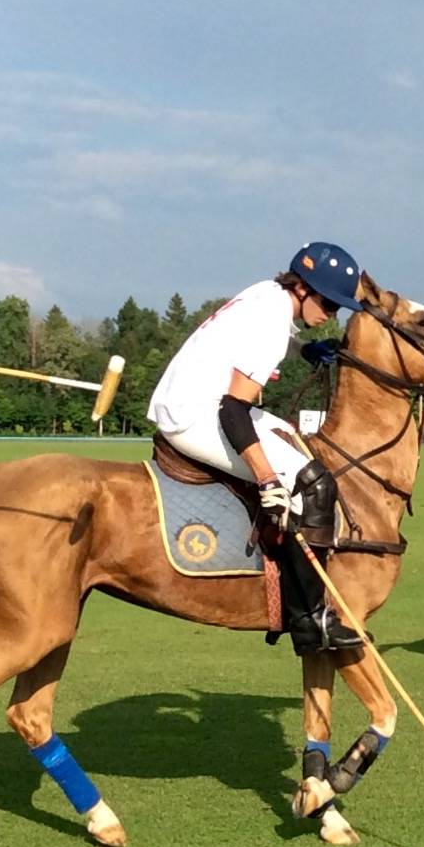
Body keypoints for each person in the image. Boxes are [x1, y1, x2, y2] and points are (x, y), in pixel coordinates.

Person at [147, 242, 365, 654]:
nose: (332, 315)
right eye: (329, 303)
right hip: (196, 414)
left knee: (293, 442)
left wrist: (303, 350)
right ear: (302, 288)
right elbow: (234, 411)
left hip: (193, 400)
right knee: (313, 485)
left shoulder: (267, 295)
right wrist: (267, 478)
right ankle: (309, 619)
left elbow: (253, 344)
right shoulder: (270, 320)